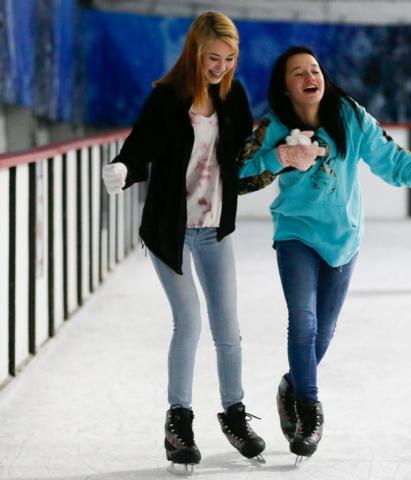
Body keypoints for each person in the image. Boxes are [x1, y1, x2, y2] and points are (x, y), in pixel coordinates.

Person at [236, 45, 411, 462]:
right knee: (304, 321)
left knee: (323, 334)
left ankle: (292, 385)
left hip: (343, 240)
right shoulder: (273, 127)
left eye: (315, 68)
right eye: (298, 73)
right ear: (286, 88)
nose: (310, 76)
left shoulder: (348, 114)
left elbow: (388, 157)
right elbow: (239, 174)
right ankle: (310, 413)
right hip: (296, 236)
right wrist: (282, 156)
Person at [102, 11, 265, 474]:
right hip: (169, 231)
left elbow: (245, 161)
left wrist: (283, 156)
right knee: (189, 322)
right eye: (214, 57)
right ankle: (179, 423)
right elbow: (139, 148)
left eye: (230, 58)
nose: (221, 67)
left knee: (228, 330)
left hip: (215, 229)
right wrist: (124, 170)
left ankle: (234, 415)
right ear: (196, 51)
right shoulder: (167, 100)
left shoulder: (234, 100)